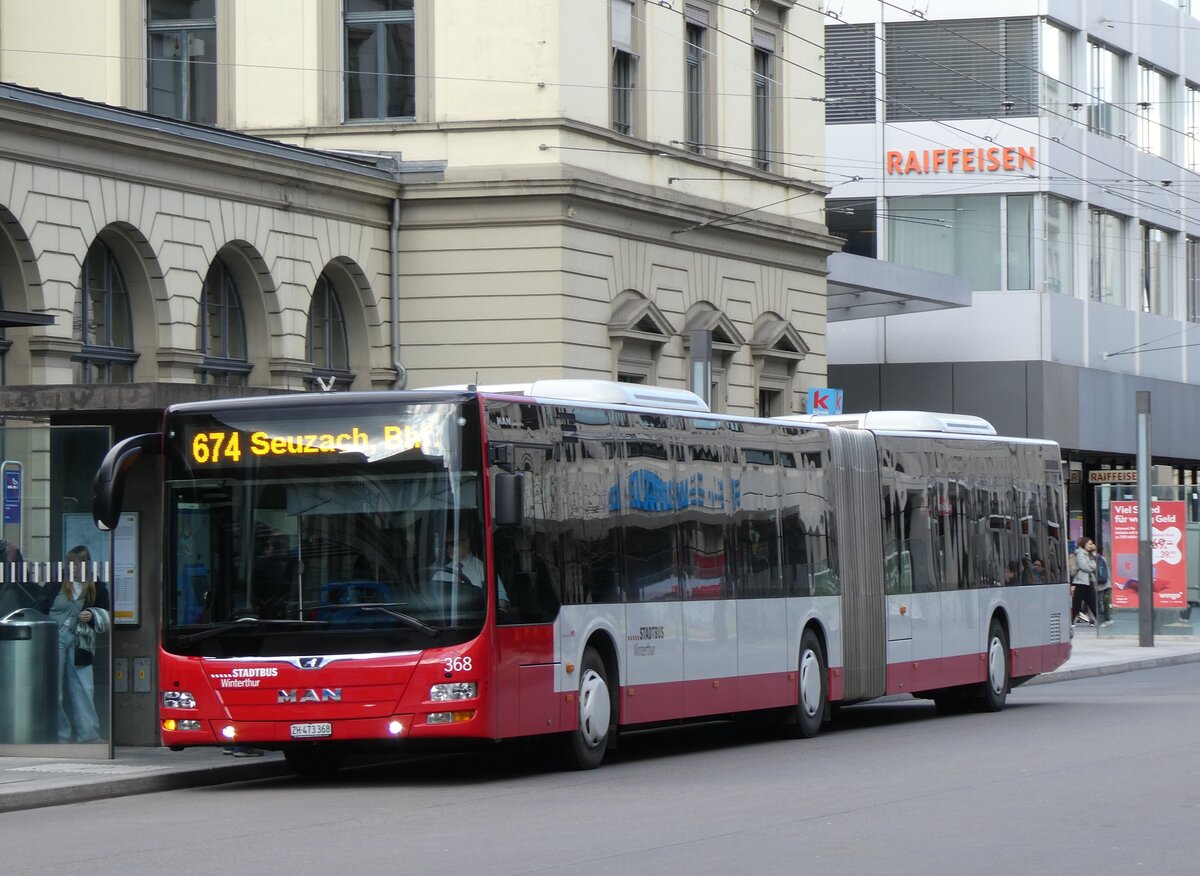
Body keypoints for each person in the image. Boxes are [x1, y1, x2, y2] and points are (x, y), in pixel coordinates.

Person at [34, 545, 110, 743]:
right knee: (54, 688)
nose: (74, 568)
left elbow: (107, 616)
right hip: (55, 638)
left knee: (84, 687)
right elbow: (38, 608)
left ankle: (89, 734)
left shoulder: (97, 586)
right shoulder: (55, 584)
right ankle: (60, 734)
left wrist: (92, 614)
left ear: (86, 564)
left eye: (78, 564)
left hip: (81, 640)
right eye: (71, 564)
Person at [444, 526, 508, 610]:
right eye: (446, 545)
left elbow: (502, 599)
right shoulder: (442, 572)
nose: (449, 548)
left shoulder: (483, 569)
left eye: (453, 544)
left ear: (466, 542)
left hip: (478, 619)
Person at [1071, 536, 1100, 626]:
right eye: (1090, 544)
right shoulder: (1080, 553)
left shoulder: (1089, 554)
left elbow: (1095, 565)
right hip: (1081, 581)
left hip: (1088, 581)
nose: (1091, 546)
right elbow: (1084, 566)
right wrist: (1091, 566)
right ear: (1084, 544)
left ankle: (1097, 619)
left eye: (1092, 544)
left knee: (1092, 601)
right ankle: (1071, 620)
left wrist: (1094, 553)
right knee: (1077, 602)